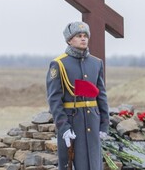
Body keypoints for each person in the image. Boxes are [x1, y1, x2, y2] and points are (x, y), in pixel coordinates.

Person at [46, 21, 109, 170]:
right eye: (79, 36)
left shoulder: (96, 63)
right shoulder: (59, 64)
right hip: (72, 123)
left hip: (92, 123)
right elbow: (54, 100)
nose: (83, 39)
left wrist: (104, 125)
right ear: (69, 40)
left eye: (85, 36)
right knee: (74, 164)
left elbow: (101, 96)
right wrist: (64, 128)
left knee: (94, 164)